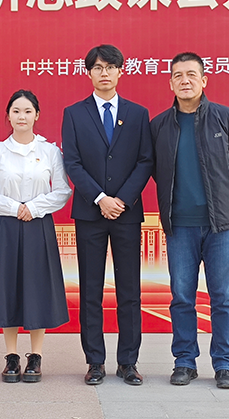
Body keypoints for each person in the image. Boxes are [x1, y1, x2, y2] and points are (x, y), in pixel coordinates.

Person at [149, 52, 229, 389]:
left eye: (191, 74)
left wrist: (220, 198)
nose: (185, 81)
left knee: (223, 297)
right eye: (178, 75)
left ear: (204, 80)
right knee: (181, 297)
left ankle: (224, 365)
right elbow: (156, 171)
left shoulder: (226, 118)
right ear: (170, 83)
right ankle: (184, 361)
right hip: (179, 225)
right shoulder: (159, 126)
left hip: (219, 225)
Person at [61, 45, 153, 386]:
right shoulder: (74, 113)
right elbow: (72, 162)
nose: (104, 73)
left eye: (110, 67)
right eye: (98, 67)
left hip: (126, 214)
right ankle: (95, 362)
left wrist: (121, 200)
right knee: (91, 291)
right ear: (89, 73)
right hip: (90, 213)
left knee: (129, 291)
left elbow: (145, 160)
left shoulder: (138, 113)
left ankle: (128, 362)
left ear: (120, 71)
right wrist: (100, 198)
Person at [0, 90, 72, 383]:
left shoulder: (50, 151)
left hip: (38, 225)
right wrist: (14, 208)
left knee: (37, 287)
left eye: (28, 111)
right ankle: (11, 356)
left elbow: (63, 190)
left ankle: (36, 356)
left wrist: (33, 208)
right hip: (5, 226)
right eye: (16, 111)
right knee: (7, 288)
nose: (22, 116)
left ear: (37, 115)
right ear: (8, 116)